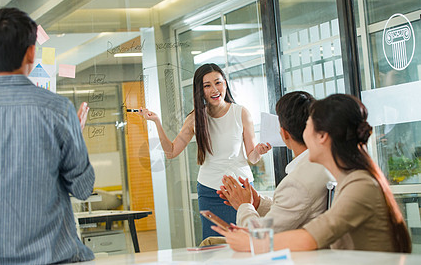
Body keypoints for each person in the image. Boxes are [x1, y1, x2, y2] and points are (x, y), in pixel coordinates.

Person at [0, 8, 95, 264]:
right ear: (31, 52)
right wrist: (73, 140)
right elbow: (83, 189)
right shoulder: (58, 110)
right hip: (54, 257)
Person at [213, 94, 412, 253]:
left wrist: (252, 241)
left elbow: (311, 236)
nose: (303, 132)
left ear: (323, 137)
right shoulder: (350, 178)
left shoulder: (360, 184)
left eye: (308, 126)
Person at [139, 63, 271, 239]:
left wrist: (259, 151)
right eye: (207, 85)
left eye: (218, 83)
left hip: (241, 192)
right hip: (210, 192)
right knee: (213, 248)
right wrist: (156, 121)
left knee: (246, 243)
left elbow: (252, 158)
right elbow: (171, 151)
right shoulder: (195, 118)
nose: (214, 89)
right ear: (200, 91)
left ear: (225, 83)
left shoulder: (241, 113)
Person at [201, 91, 334, 247]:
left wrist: (244, 205)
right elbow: (291, 210)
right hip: (295, 241)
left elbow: (257, 238)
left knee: (208, 245)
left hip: (288, 251)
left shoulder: (298, 182)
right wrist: (258, 202)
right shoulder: (321, 165)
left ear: (283, 133)